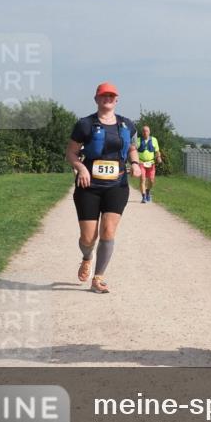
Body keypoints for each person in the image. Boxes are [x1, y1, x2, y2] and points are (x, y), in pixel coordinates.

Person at [65, 82, 141, 294]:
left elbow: (133, 148)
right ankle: (87, 257)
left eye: (111, 96)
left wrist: (135, 164)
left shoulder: (127, 125)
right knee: (88, 237)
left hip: (117, 185)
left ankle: (98, 278)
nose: (107, 99)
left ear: (116, 100)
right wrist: (80, 167)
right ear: (96, 99)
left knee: (108, 230)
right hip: (88, 185)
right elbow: (71, 152)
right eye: (103, 96)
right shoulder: (85, 124)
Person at [136, 125, 163, 203]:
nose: (145, 133)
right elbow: (133, 151)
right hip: (141, 162)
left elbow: (157, 151)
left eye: (147, 131)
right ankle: (143, 196)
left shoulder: (154, 140)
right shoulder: (137, 140)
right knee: (142, 179)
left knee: (151, 180)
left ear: (149, 132)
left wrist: (159, 157)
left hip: (151, 163)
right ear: (142, 132)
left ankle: (148, 191)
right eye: (144, 131)